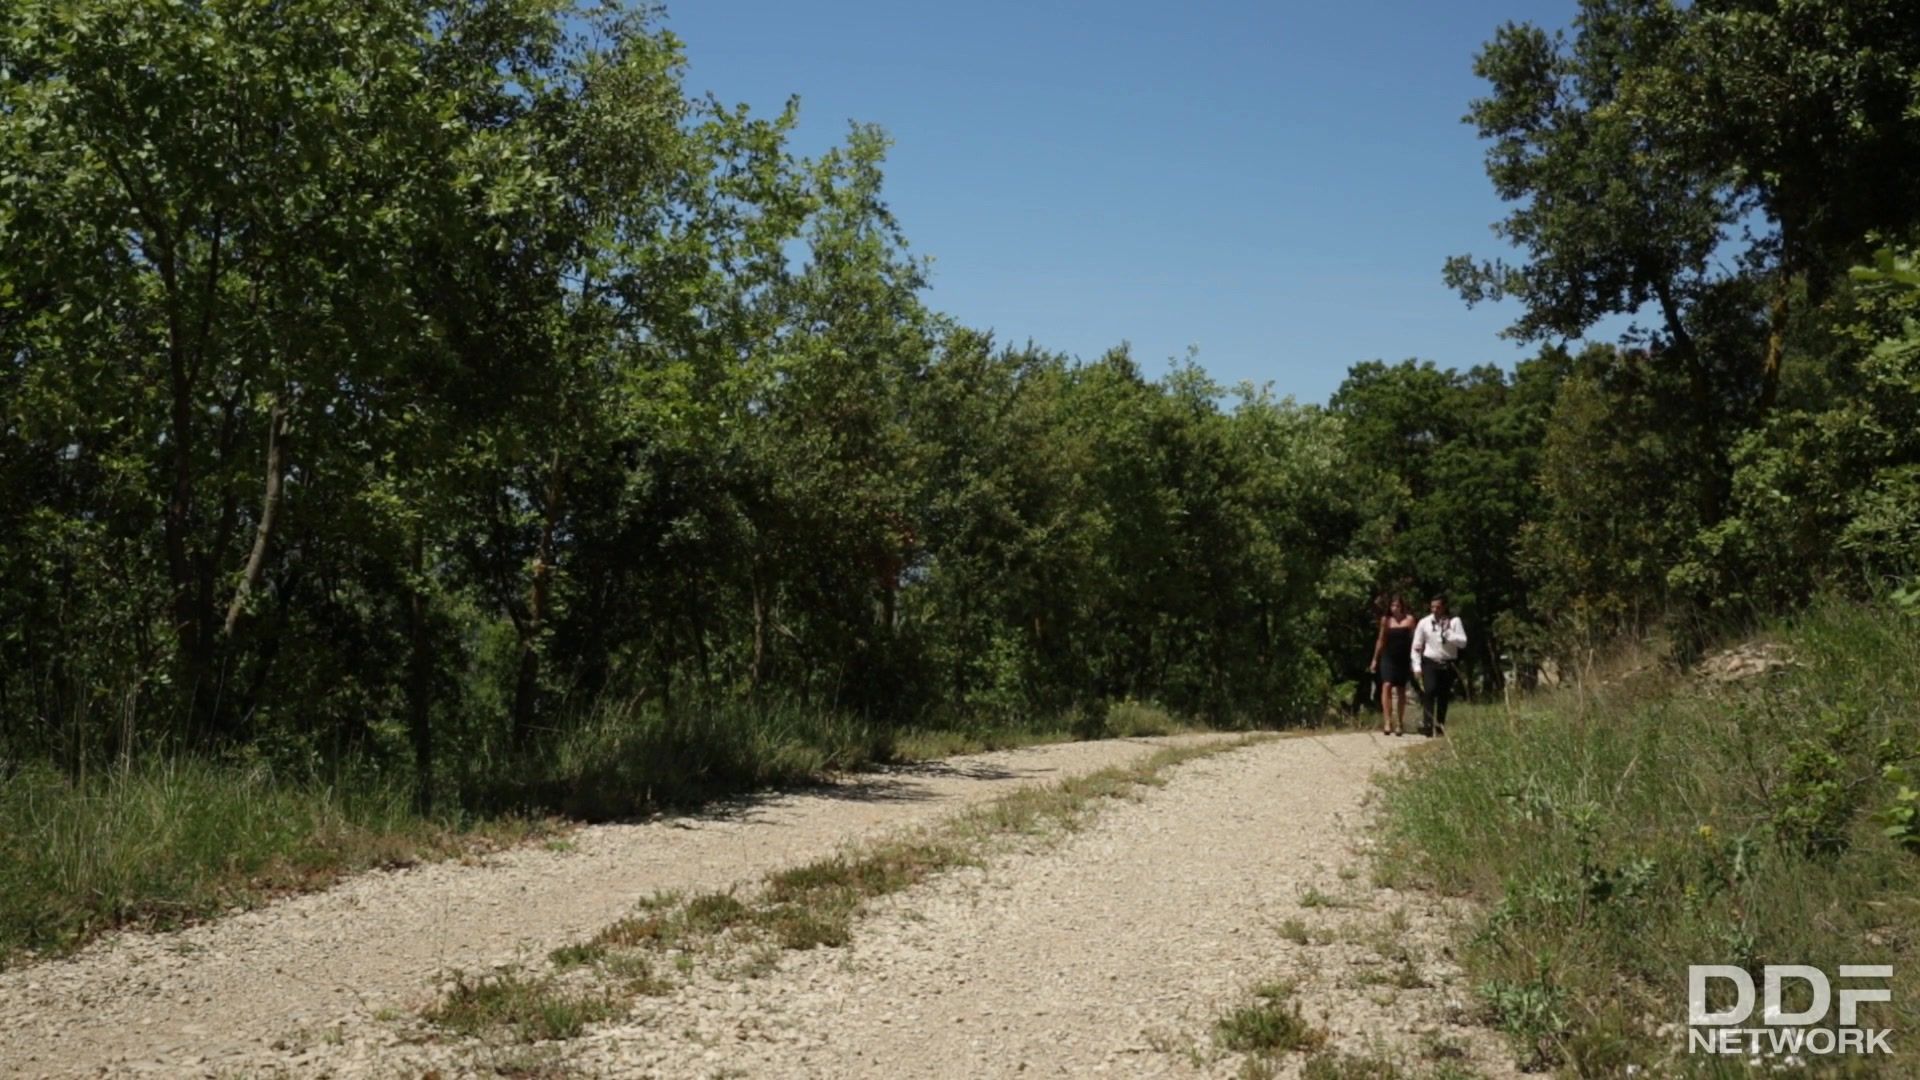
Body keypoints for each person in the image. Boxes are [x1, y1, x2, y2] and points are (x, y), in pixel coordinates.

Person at [1410, 593, 1467, 736]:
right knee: (1429, 690)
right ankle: (1427, 724)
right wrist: (1416, 666)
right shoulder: (1424, 622)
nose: (1435, 610)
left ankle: (1440, 725)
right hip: (1430, 661)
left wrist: (1448, 633)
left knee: (1443, 695)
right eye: (1432, 607)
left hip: (1448, 662)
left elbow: (1463, 642)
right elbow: (1416, 645)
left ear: (1444, 607)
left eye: (1438, 607)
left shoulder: (1454, 621)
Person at [1368, 595, 1416, 736]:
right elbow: (1381, 640)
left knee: (1401, 689)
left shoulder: (1409, 620)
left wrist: (1415, 658)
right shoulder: (1386, 620)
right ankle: (1387, 721)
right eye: (1392, 605)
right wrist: (1375, 659)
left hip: (1403, 658)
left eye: (1397, 605)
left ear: (1402, 606)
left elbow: (1415, 639)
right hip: (1388, 657)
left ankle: (1399, 722)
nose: (1395, 608)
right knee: (1386, 685)